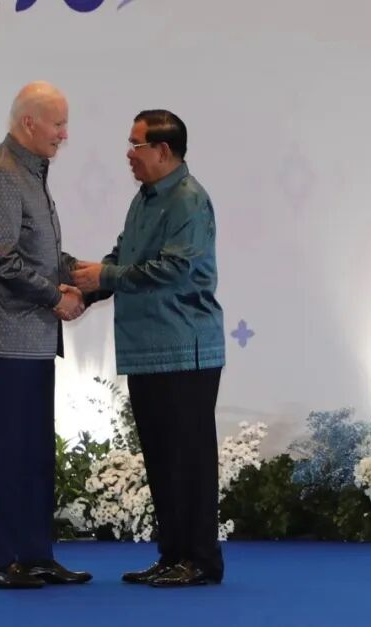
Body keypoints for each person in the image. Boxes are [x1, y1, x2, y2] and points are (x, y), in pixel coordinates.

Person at [72, 109, 226, 587]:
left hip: (184, 349)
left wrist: (105, 275)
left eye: (136, 145)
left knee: (188, 461)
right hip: (147, 349)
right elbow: (123, 258)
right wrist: (86, 290)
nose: (129, 154)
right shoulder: (144, 199)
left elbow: (174, 270)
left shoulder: (189, 200)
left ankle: (200, 560)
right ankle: (172, 554)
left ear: (163, 150)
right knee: (161, 459)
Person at [0, 80, 92, 590]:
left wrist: (87, 276)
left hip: (27, 339)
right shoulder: (0, 174)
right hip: (4, 336)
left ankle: (35, 556)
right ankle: (5, 561)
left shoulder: (27, 172)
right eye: (59, 124)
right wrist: (56, 296)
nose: (65, 134)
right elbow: (1, 260)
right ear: (29, 123)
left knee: (32, 453)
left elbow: (39, 256)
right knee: (11, 452)